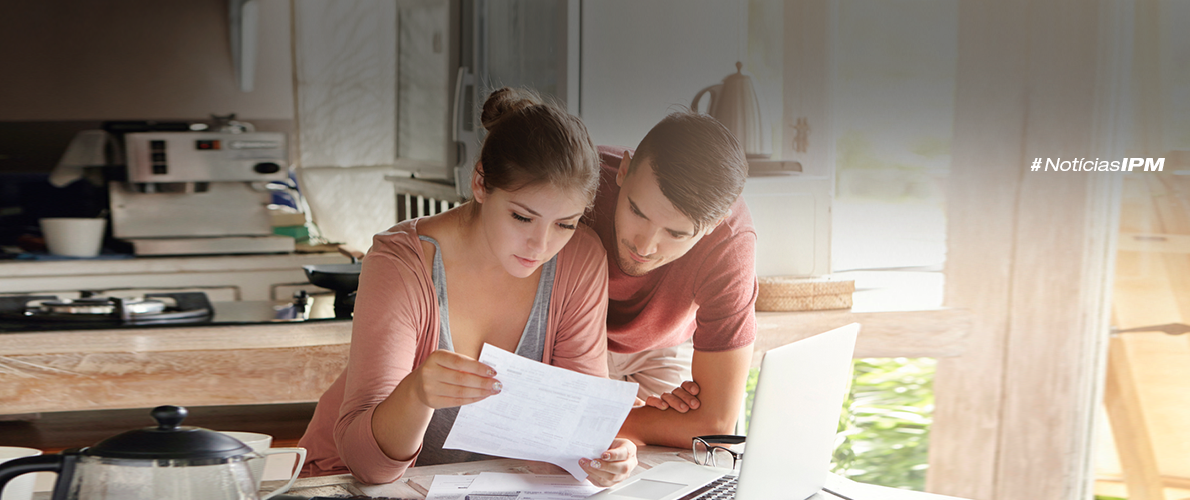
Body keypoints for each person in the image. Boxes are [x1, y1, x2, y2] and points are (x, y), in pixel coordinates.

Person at [297, 88, 637, 486]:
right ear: (480, 183)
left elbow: (572, 431)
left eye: (565, 223)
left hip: (482, 487)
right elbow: (367, 467)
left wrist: (603, 454)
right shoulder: (401, 262)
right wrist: (416, 395)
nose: (541, 246)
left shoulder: (580, 259)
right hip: (346, 483)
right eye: (522, 217)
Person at [587, 112, 757, 448]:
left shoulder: (730, 242)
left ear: (713, 225)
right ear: (623, 171)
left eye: (675, 233)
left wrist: (598, 419)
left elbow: (715, 424)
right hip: (569, 343)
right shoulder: (579, 180)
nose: (644, 245)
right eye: (637, 211)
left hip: (660, 349)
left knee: (678, 466)